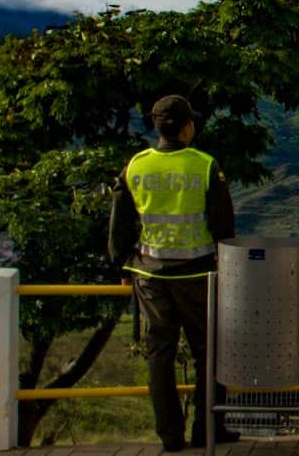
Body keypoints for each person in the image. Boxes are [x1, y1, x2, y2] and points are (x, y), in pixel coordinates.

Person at [109, 95, 240, 451]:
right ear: (186, 127)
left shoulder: (135, 166)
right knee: (208, 351)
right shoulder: (204, 165)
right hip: (196, 273)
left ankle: (169, 436)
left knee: (159, 354)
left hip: (150, 274)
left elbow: (120, 224)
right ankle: (208, 429)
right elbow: (223, 226)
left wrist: (122, 264)